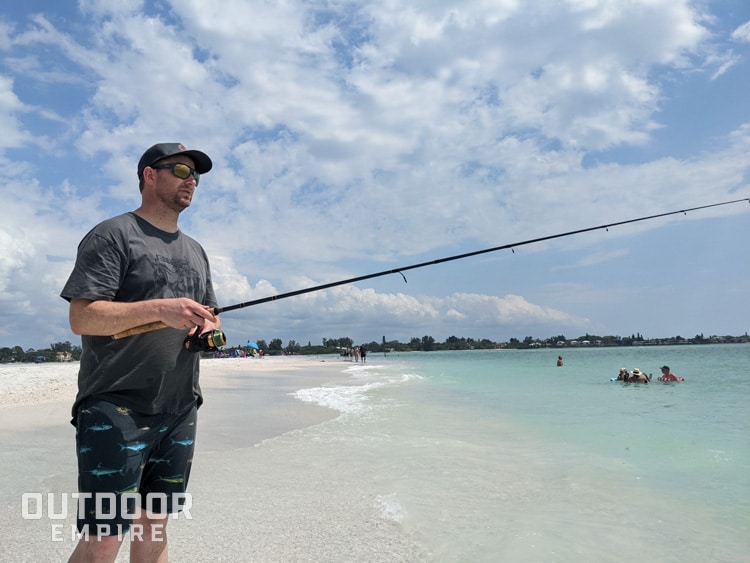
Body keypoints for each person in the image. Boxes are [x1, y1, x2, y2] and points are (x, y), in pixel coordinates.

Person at [60, 142, 221, 562]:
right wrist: (159, 309)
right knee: (105, 536)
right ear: (150, 175)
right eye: (182, 169)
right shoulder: (113, 234)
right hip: (116, 407)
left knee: (155, 525)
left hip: (180, 405)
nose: (192, 181)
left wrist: (209, 325)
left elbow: (209, 314)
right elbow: (83, 317)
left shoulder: (196, 251)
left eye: (196, 175)